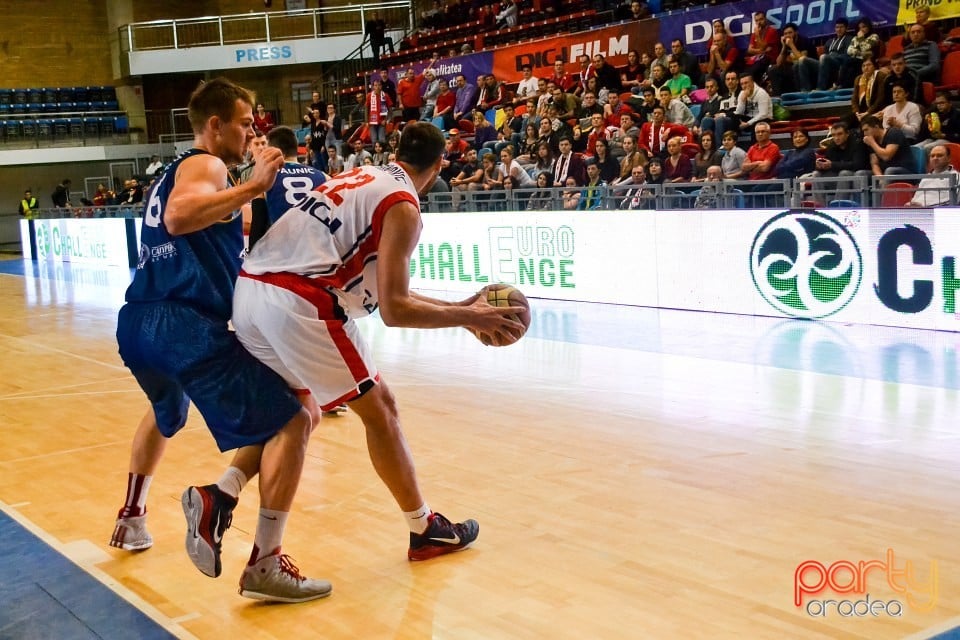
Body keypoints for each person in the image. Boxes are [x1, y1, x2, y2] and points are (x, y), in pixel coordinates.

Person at [232, 123, 521, 567]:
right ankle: (424, 530)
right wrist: (469, 316)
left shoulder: (362, 176)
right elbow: (395, 310)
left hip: (250, 293)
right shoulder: (403, 205)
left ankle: (221, 494)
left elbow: (385, 295)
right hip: (297, 299)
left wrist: (460, 308)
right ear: (440, 165)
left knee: (296, 415)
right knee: (380, 409)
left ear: (396, 150)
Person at [110, 77, 328, 603]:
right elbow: (182, 217)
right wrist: (254, 186)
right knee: (297, 417)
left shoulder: (175, 174)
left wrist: (250, 205)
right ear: (215, 125)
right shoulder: (205, 165)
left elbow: (204, 219)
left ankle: (132, 516)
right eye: (245, 121)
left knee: (168, 413)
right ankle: (263, 560)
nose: (251, 130)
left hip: (138, 322)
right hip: (184, 323)